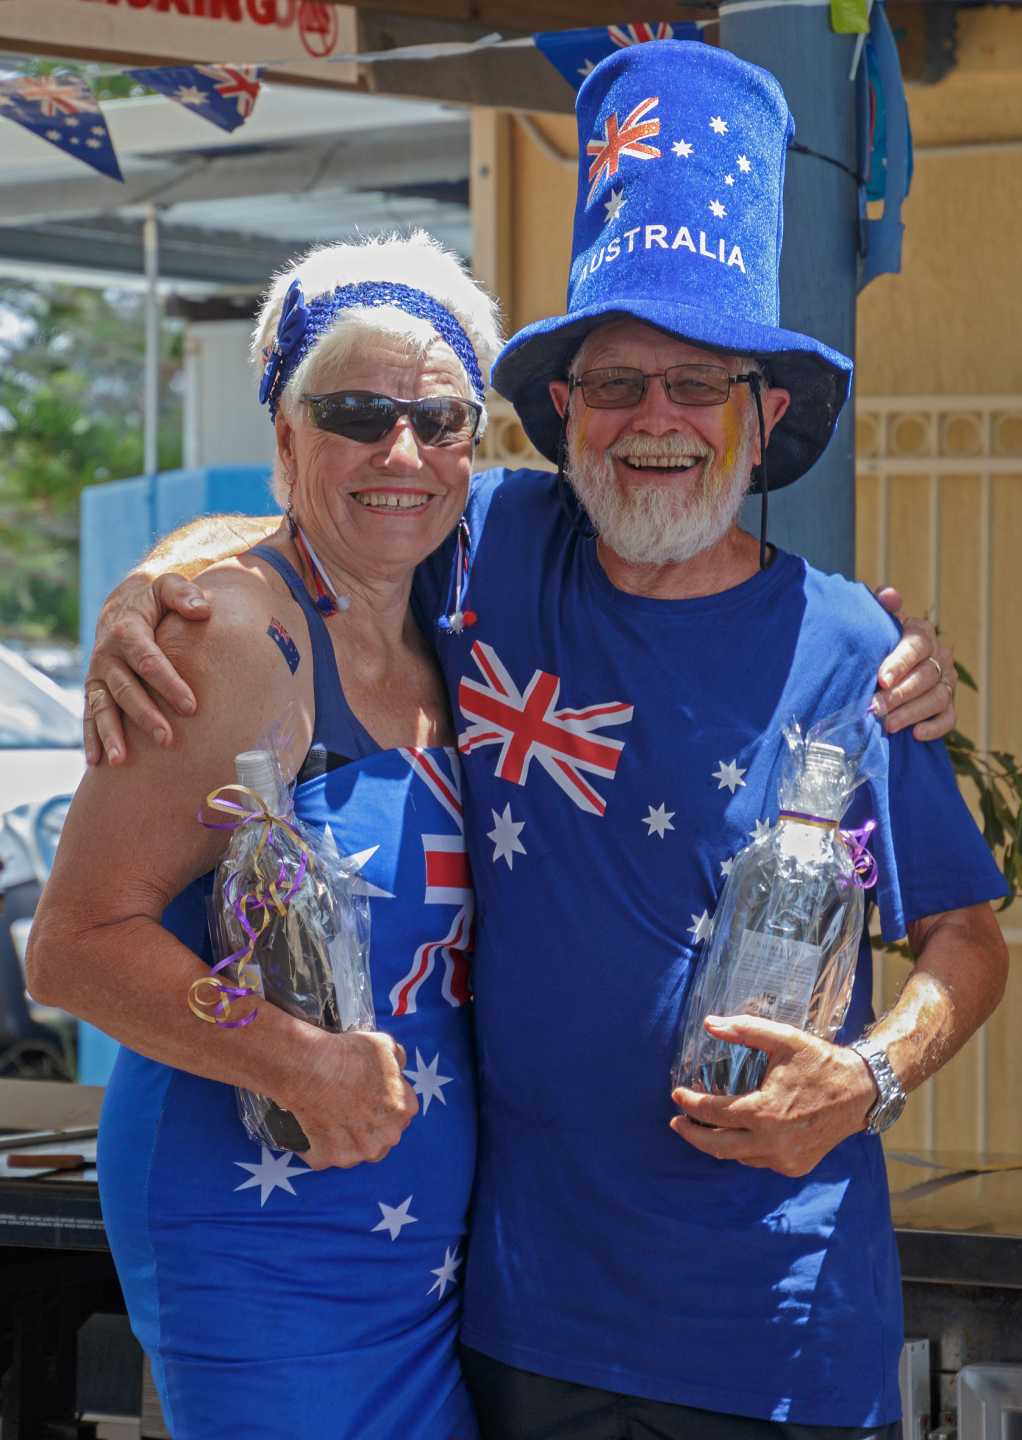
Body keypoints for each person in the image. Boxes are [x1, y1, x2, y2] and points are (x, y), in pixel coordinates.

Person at [73, 42, 1003, 1440]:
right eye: (617, 383)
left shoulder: (854, 652)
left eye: (699, 385)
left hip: (778, 1328)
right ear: (560, 412)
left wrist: (868, 1074)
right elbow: (320, 528)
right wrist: (164, 581)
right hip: (521, 1324)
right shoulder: (488, 546)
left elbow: (969, 937)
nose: (657, 422)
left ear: (762, 416)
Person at [27, 231, 503, 1440]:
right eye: (354, 412)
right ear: (285, 437)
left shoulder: (448, 620)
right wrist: (288, 1061)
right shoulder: (238, 632)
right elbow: (74, 945)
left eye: (439, 419)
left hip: (420, 1251)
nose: (402, 450)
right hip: (261, 1226)